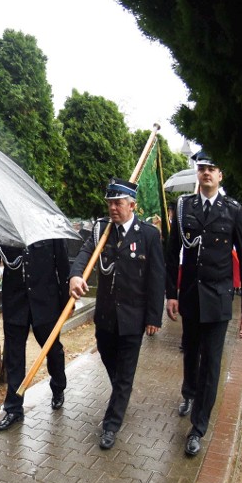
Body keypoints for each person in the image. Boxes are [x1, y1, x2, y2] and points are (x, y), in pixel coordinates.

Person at [166, 150, 242, 457]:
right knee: (191, 351)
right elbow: (172, 250)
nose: (206, 173)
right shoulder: (184, 207)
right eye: (202, 168)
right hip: (190, 296)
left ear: (220, 176)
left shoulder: (232, 210)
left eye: (211, 168)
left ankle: (198, 427)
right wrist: (171, 293)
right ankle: (189, 392)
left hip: (218, 301)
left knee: (212, 364)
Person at [69, 178, 165, 450]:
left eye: (118, 203)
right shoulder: (101, 230)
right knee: (113, 366)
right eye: (110, 202)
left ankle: (111, 425)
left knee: (125, 375)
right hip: (106, 318)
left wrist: (153, 318)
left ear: (132, 205)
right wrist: (75, 276)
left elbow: (156, 279)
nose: (113, 207)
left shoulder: (147, 235)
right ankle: (122, 394)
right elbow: (85, 255)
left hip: (133, 319)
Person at [0, 240, 69, 430]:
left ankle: (58, 386)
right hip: (15, 303)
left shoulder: (46, 226)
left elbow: (63, 265)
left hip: (46, 302)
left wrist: (67, 302)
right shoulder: (2, 229)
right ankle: (14, 409)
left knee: (53, 350)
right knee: (14, 357)